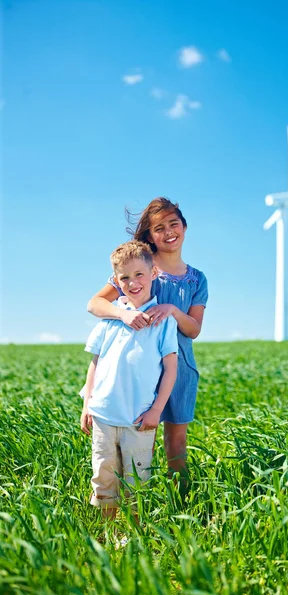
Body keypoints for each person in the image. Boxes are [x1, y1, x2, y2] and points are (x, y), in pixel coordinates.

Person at [87, 197, 208, 489]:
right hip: (138, 369)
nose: (168, 232)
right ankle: (141, 499)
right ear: (149, 235)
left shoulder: (196, 280)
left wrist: (172, 311)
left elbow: (193, 329)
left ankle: (179, 498)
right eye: (159, 228)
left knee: (176, 439)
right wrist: (122, 315)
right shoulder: (138, 267)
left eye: (173, 224)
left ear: (185, 226)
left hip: (178, 367)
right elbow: (95, 303)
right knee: (139, 436)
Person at [81, 240, 178, 519]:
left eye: (139, 275)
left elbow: (170, 368)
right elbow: (94, 364)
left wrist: (156, 411)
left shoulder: (162, 321)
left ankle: (134, 535)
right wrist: (87, 404)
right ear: (115, 281)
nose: (133, 282)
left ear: (153, 273)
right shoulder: (109, 320)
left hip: (139, 419)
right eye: (124, 277)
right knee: (104, 477)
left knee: (137, 481)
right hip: (103, 416)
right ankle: (109, 532)